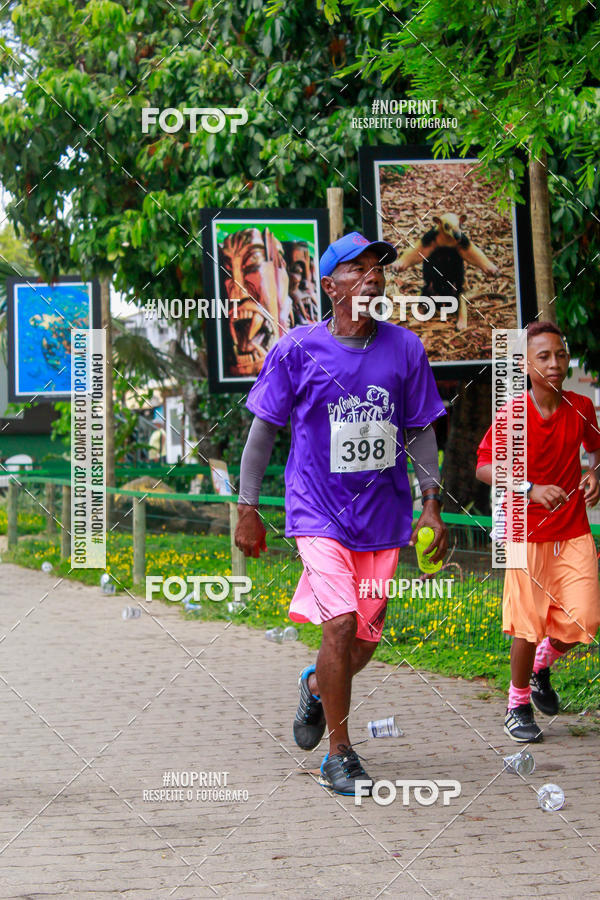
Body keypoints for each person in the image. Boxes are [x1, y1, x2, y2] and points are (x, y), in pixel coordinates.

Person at [235, 231, 448, 795]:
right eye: (357, 268)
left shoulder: (405, 349)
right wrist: (248, 507)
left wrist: (432, 505)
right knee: (341, 622)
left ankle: (313, 684)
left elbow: (421, 430)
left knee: (364, 642)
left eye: (377, 266)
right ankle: (340, 754)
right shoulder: (296, 349)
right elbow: (262, 436)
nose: (373, 275)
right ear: (331, 285)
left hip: (383, 517)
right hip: (318, 512)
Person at [476, 321, 600, 742]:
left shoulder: (582, 406)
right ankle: (518, 703)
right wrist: (529, 487)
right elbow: (484, 467)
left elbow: (595, 448)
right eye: (543, 356)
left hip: (573, 529)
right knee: (527, 625)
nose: (554, 363)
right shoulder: (512, 413)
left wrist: (595, 473)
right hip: (524, 532)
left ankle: (542, 665)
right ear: (526, 364)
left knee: (586, 617)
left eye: (560, 355)